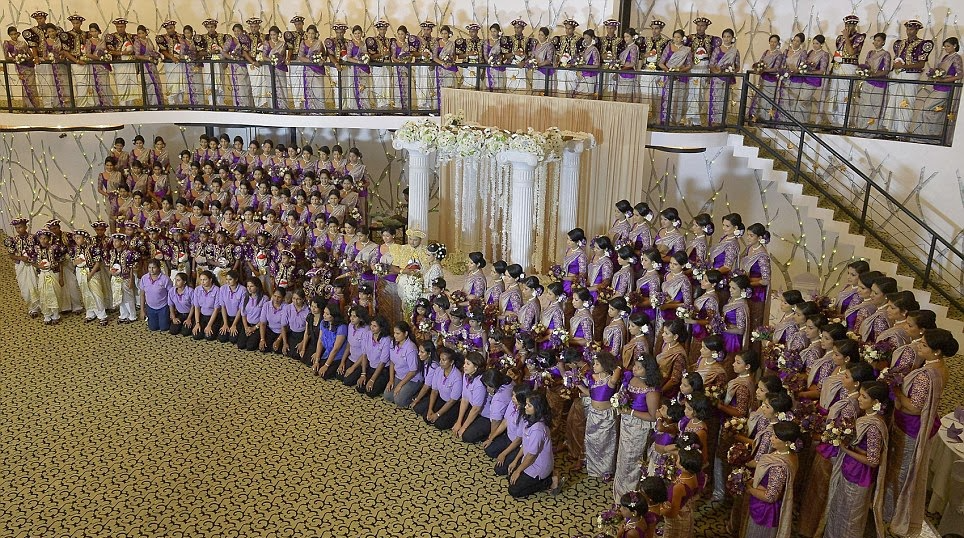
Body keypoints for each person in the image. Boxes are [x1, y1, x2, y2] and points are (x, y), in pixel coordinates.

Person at [883, 328, 955, 536]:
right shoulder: (937, 367)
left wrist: (896, 390)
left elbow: (915, 407)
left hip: (910, 427)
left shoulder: (927, 375)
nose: (918, 346)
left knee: (899, 470)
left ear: (937, 351)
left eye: (923, 345)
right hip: (917, 424)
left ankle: (889, 514)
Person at [823, 380, 890, 538]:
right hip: (850, 469)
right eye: (860, 394)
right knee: (839, 509)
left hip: (859, 475)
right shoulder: (865, 416)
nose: (859, 399)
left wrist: (846, 449)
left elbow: (873, 460)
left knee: (850, 517)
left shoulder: (873, 426)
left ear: (875, 402)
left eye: (863, 396)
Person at [614, 354, 661, 498]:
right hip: (626, 424)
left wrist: (631, 412)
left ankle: (629, 495)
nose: (635, 369)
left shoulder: (651, 391)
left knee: (632, 460)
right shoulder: (630, 378)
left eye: (639, 368)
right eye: (635, 366)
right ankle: (619, 491)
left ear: (648, 370)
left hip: (638, 428)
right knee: (622, 457)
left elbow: (653, 416)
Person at [745, 420, 801, 538]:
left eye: (776, 437)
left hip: (766, 510)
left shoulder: (779, 466)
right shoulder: (788, 454)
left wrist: (749, 489)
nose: (771, 439)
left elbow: (770, 496)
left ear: (787, 442)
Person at [883, 20, 933, 133]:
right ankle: (891, 130)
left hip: (911, 75)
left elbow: (921, 64)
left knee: (907, 102)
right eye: (907, 29)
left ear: (917, 30)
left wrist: (904, 65)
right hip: (897, 75)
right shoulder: (899, 43)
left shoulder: (923, 44)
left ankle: (902, 131)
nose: (909, 31)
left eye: (911, 29)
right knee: (893, 101)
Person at [578, 352, 622, 480]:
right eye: (594, 363)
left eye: (598, 364)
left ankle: (606, 470)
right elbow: (590, 394)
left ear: (605, 365)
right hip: (593, 414)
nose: (594, 366)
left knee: (606, 443)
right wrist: (578, 385)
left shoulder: (610, 379)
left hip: (606, 416)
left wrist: (615, 366)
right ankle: (593, 467)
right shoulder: (592, 378)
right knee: (591, 440)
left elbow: (617, 370)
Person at [506, 390, 557, 498]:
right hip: (529, 459)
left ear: (537, 408)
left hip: (539, 465)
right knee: (510, 475)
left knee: (514, 490)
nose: (525, 407)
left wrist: (519, 470)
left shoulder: (538, 429)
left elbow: (531, 455)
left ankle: (548, 480)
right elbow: (525, 444)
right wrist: (515, 461)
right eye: (526, 404)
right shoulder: (529, 419)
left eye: (529, 405)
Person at [910, 37, 962, 138]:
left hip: (945, 89)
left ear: (955, 46)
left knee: (932, 111)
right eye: (945, 46)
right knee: (929, 111)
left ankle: (929, 136)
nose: (946, 48)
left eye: (948, 46)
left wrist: (943, 80)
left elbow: (959, 75)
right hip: (938, 87)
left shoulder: (956, 58)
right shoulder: (946, 57)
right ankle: (924, 135)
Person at [827, 15, 866, 125]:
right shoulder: (839, 38)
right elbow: (838, 53)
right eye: (846, 25)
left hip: (849, 67)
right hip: (838, 67)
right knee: (835, 95)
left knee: (845, 96)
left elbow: (851, 52)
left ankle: (843, 122)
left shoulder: (860, 37)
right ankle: (834, 122)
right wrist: (832, 68)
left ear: (855, 25)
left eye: (850, 25)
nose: (848, 27)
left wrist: (847, 37)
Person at [854, 32, 892, 130]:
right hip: (868, 81)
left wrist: (873, 75)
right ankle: (861, 127)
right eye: (875, 40)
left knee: (874, 106)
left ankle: (871, 130)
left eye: (879, 40)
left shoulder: (886, 54)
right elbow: (867, 66)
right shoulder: (870, 53)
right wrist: (864, 72)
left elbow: (886, 70)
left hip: (878, 83)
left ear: (883, 42)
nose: (876, 42)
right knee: (864, 105)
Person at [384, 320, 421, 407]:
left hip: (412, 379)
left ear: (406, 333)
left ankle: (417, 395)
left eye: (398, 333)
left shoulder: (411, 348)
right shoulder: (393, 343)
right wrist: (391, 380)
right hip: (399, 376)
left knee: (399, 401)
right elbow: (392, 362)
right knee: (388, 396)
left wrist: (400, 385)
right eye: (394, 333)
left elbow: (413, 371)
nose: (395, 336)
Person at [453, 351, 488, 441]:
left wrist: (463, 428)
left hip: (485, 414)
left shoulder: (480, 383)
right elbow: (464, 399)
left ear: (476, 367)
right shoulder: (466, 375)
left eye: (468, 364)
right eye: (465, 363)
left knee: (466, 436)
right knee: (455, 423)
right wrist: (459, 421)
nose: (464, 366)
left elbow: (476, 409)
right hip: (473, 409)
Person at [749, 35, 785, 121]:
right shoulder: (766, 52)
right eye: (771, 41)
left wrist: (765, 70)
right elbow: (760, 62)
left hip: (771, 80)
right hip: (763, 78)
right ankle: (757, 117)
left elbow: (776, 68)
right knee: (760, 98)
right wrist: (758, 68)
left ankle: (766, 119)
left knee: (768, 99)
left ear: (778, 43)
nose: (773, 43)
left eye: (775, 42)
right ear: (769, 42)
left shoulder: (779, 54)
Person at [708, 29, 740, 125]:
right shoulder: (717, 49)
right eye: (724, 36)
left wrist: (732, 71)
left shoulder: (735, 51)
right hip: (717, 78)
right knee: (716, 98)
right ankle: (713, 122)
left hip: (727, 78)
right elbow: (711, 64)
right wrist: (717, 72)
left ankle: (722, 122)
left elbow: (737, 66)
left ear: (732, 38)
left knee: (725, 100)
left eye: (728, 36)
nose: (726, 39)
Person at [4, 27, 41, 108]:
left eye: (15, 34)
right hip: (19, 67)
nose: (14, 36)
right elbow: (6, 57)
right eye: (11, 34)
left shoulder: (23, 43)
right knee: (25, 86)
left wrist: (26, 58)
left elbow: (30, 54)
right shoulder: (7, 43)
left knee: (32, 86)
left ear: (17, 34)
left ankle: (36, 106)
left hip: (28, 66)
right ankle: (28, 106)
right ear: (9, 35)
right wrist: (17, 58)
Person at [139, 259, 172, 331]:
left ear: (159, 268)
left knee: (164, 328)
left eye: (154, 267)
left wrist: (172, 311)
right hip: (150, 307)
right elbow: (142, 295)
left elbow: (171, 295)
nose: (151, 270)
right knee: (153, 328)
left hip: (163, 307)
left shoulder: (165, 279)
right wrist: (142, 310)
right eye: (149, 268)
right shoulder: (144, 278)